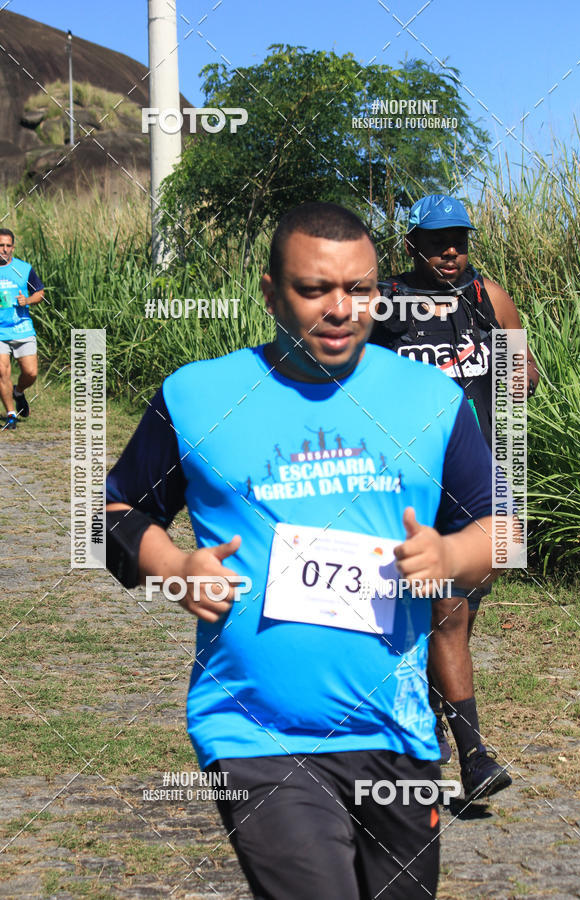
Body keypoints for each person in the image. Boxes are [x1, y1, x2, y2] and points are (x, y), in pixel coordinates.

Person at [106, 202, 496, 899]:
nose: (341, 309)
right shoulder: (198, 396)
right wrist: (174, 566)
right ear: (269, 291)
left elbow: (500, 531)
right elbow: (111, 513)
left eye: (360, 289)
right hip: (256, 734)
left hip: (396, 735)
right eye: (315, 289)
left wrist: (448, 557)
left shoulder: (431, 398)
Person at [371, 194, 539, 803]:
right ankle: (473, 756)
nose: (451, 251)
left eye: (459, 240)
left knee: (459, 609)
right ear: (412, 243)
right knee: (446, 610)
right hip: (411, 479)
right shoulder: (386, 301)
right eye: (438, 240)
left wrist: (520, 376)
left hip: (479, 474)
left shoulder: (489, 298)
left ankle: (434, 719)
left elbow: (525, 373)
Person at [0, 229, 45, 430]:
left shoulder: (23, 268)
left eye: (8, 245)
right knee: (2, 372)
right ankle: (11, 414)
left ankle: (18, 392)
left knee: (31, 372)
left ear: (13, 247)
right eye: (1, 245)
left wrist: (26, 300)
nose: (4, 249)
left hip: (22, 328)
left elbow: (40, 293)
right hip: (0, 331)